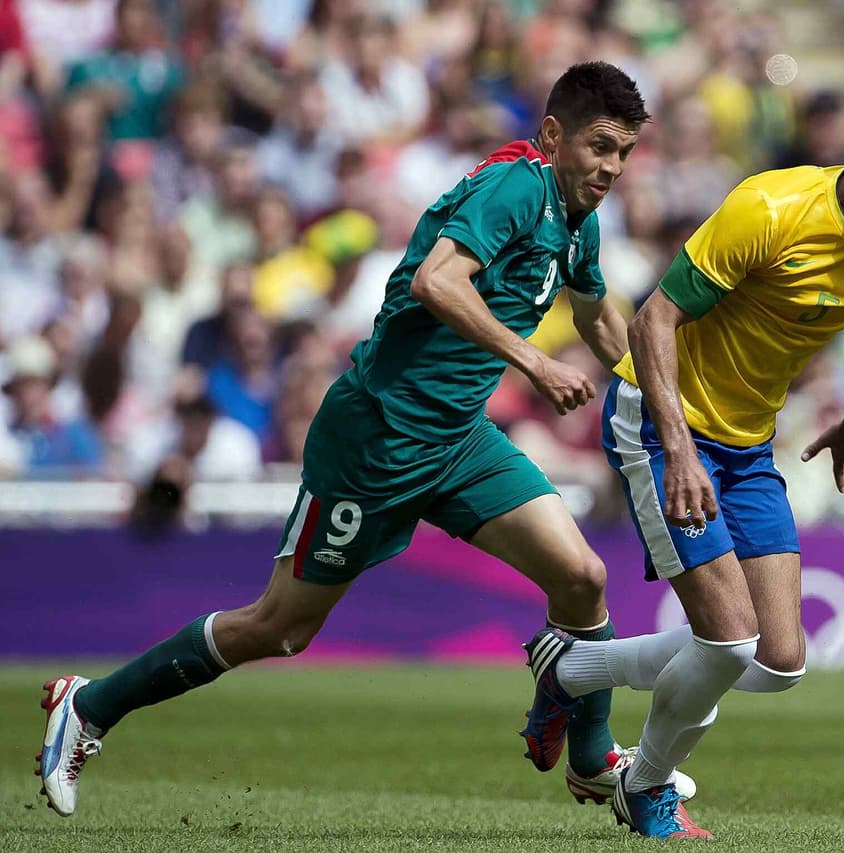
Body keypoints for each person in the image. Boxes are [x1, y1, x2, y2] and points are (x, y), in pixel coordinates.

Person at [36, 61, 689, 818]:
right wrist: (534, 361)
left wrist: (669, 401)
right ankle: (89, 706)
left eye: (623, 153)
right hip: (378, 438)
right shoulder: (515, 188)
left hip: (458, 438)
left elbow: (598, 315)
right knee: (280, 628)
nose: (611, 167)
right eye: (600, 146)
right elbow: (436, 283)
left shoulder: (578, 218)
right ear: (552, 135)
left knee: (581, 577)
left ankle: (591, 758)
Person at [519, 81, 844, 839]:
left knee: (780, 659)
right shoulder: (770, 209)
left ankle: (568, 670)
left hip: (748, 442)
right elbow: (654, 321)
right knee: (726, 640)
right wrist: (679, 446)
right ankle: (645, 785)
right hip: (659, 421)